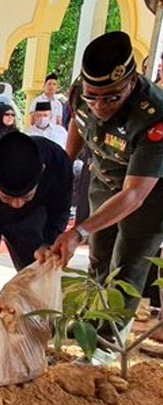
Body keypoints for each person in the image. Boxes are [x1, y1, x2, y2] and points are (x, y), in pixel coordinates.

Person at [51, 31, 163, 322]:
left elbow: (135, 194)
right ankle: (91, 326)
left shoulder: (153, 115)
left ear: (132, 81)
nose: (100, 105)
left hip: (149, 195)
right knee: (99, 258)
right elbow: (78, 118)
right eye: (93, 97)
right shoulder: (81, 91)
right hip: (104, 180)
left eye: (111, 97)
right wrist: (65, 164)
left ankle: (107, 341)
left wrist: (78, 231)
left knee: (128, 264)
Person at [0, 131, 72, 369]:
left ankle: (31, 354)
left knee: (37, 276)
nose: (17, 203)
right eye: (8, 198)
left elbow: (60, 211)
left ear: (41, 171)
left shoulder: (57, 162)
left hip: (31, 219)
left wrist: (48, 242)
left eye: (25, 196)